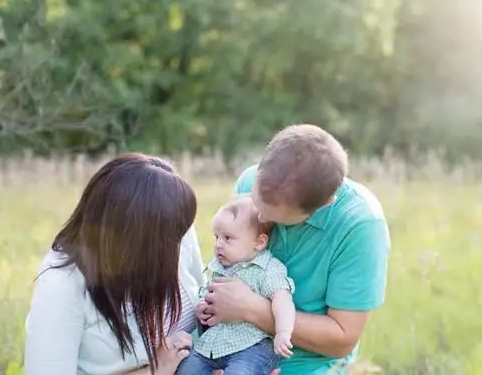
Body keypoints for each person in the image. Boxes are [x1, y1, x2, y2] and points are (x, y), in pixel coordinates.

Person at [199, 124, 391, 374]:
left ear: (324, 204)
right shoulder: (249, 181)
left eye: (273, 215)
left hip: (305, 364)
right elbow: (228, 270)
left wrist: (250, 309)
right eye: (257, 198)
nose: (258, 214)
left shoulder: (360, 225)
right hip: (233, 348)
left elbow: (342, 339)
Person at [23, 153, 205, 375]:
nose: (179, 244)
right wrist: (154, 371)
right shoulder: (62, 283)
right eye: (170, 239)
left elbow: (203, 301)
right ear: (130, 240)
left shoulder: (174, 227)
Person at [175, 195, 295, 375]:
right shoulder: (219, 267)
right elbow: (209, 295)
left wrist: (283, 332)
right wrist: (203, 307)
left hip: (253, 346)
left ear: (259, 242)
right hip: (213, 344)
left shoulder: (268, 269)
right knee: (185, 370)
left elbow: (283, 301)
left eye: (228, 238)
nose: (218, 245)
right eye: (216, 237)